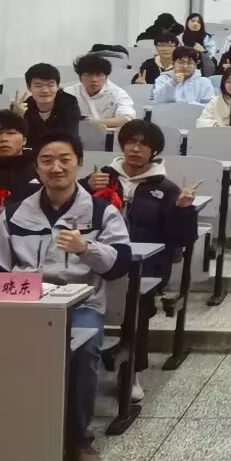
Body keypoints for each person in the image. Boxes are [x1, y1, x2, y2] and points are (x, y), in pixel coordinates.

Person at [0, 133, 131, 461]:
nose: (56, 167)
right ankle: (0, 434)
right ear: (36, 167)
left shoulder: (101, 211)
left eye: (65, 159)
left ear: (79, 163)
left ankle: (78, 441)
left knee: (83, 349)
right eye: (47, 161)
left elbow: (121, 264)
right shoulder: (15, 213)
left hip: (80, 305)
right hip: (24, 305)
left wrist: (85, 249)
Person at [87, 120, 199, 330]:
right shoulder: (101, 178)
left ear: (154, 151)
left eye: (144, 144)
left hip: (145, 266)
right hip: (97, 259)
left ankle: (132, 348)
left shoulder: (166, 189)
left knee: (135, 299)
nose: (136, 149)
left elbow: (181, 239)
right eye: (131, 142)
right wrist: (86, 186)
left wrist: (183, 211)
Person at [19, 63, 85, 136]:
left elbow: (69, 136)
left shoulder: (69, 104)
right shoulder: (23, 108)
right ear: (29, 88)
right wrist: (17, 115)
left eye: (50, 85)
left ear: (58, 86)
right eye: (38, 86)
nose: (45, 90)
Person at [70, 54, 137, 123]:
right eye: (88, 74)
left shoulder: (117, 93)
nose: (94, 79)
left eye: (99, 75)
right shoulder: (69, 92)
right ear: (80, 77)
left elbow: (127, 118)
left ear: (106, 77)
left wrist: (96, 123)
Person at [152, 47, 219, 106]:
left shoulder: (204, 82)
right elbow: (157, 101)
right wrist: (172, 83)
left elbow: (210, 107)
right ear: (173, 63)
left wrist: (189, 105)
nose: (185, 66)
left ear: (196, 65)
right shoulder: (163, 79)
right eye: (181, 62)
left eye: (190, 63)